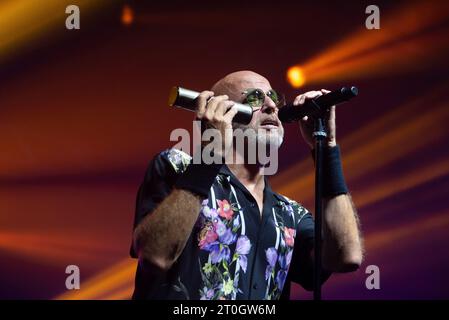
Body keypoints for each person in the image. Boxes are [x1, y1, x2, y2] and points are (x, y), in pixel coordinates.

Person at [130, 70, 363, 300]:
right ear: (221, 112)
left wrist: (326, 148)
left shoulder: (290, 214)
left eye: (274, 97)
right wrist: (211, 151)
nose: (272, 106)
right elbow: (155, 255)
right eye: (254, 98)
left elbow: (345, 257)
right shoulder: (177, 167)